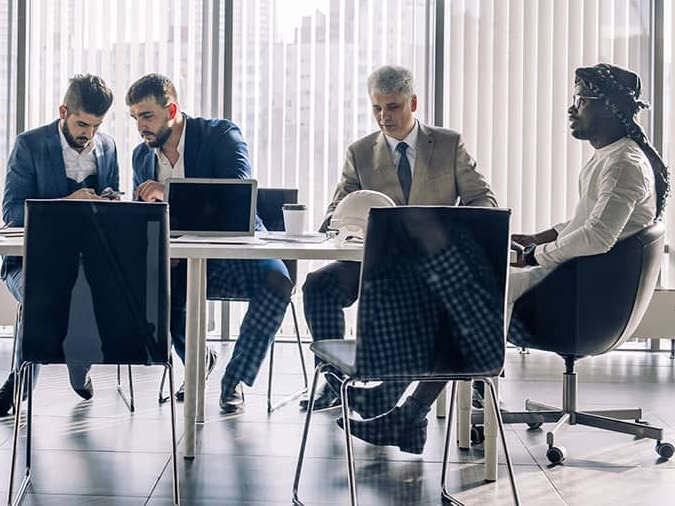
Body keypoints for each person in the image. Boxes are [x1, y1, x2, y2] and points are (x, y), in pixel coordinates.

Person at [340, 62, 669, 454]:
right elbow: (587, 221)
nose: (572, 109)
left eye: (581, 101)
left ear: (611, 108)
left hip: (582, 300)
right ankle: (403, 409)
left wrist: (533, 254)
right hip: (576, 280)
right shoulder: (613, 158)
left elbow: (597, 236)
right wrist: (540, 237)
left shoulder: (624, 165)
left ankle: (406, 412)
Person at [301, 64, 497, 413]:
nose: (383, 117)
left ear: (413, 103)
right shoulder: (360, 152)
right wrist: (337, 222)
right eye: (376, 108)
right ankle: (336, 382)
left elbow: (483, 199)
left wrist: (453, 232)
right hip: (377, 261)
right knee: (318, 286)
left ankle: (405, 395)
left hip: (431, 264)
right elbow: (338, 206)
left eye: (392, 107)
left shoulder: (448, 144)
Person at [125, 73, 293, 414]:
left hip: (234, 246)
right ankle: (199, 360)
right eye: (135, 118)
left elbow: (237, 192)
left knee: (277, 280)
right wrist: (158, 246)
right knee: (158, 293)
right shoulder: (141, 157)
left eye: (147, 116)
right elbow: (144, 216)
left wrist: (167, 192)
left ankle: (235, 380)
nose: (140, 126)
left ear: (171, 108)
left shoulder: (220, 134)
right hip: (179, 256)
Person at [0, 74, 120, 415]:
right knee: (44, 294)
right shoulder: (30, 145)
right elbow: (12, 213)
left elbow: (112, 204)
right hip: (32, 259)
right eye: (82, 124)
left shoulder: (108, 147)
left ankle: (78, 365)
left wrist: (110, 200)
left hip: (88, 261)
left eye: (96, 126)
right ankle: (19, 385)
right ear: (63, 111)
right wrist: (68, 200)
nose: (89, 134)